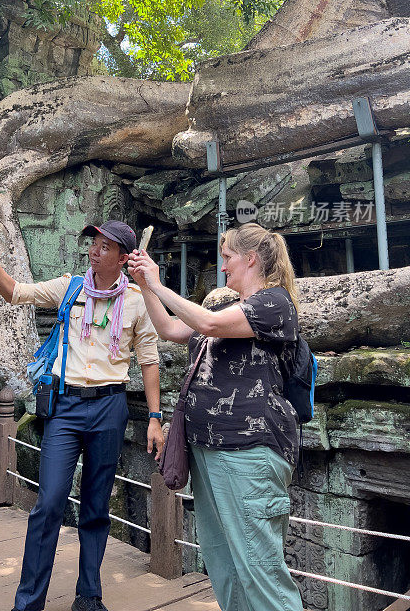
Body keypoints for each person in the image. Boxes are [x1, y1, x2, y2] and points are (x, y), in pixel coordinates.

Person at [0, 220, 164, 611]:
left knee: (97, 506)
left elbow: (149, 361)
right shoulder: (71, 287)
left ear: (122, 256)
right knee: (48, 503)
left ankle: (89, 595)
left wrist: (154, 416)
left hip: (109, 407)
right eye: (93, 244)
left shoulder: (137, 300)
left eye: (103, 246)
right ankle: (28, 601)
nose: (94, 250)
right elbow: (15, 293)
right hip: (65, 407)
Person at [128, 222, 304, 611]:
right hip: (208, 449)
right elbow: (171, 328)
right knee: (223, 564)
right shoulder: (228, 308)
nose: (223, 267)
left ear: (251, 258)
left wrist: (158, 284)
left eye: (227, 257)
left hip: (249, 451)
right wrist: (144, 284)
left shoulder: (275, 303)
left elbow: (205, 323)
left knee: (260, 570)